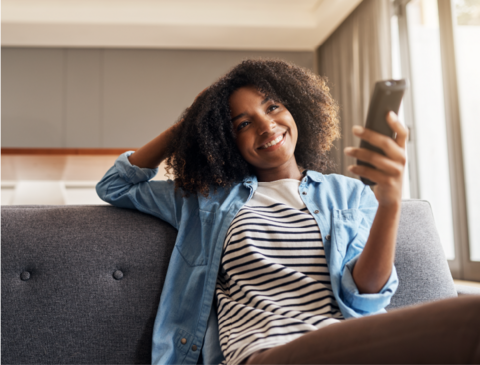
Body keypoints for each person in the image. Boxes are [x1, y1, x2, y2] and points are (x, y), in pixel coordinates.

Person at [96, 59, 480, 365]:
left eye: (273, 107)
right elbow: (115, 185)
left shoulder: (346, 194)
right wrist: (190, 123)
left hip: (344, 342)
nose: (266, 125)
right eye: (243, 124)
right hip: (262, 351)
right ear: (227, 141)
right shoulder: (206, 199)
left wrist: (390, 202)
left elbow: (365, 294)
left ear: (296, 109)